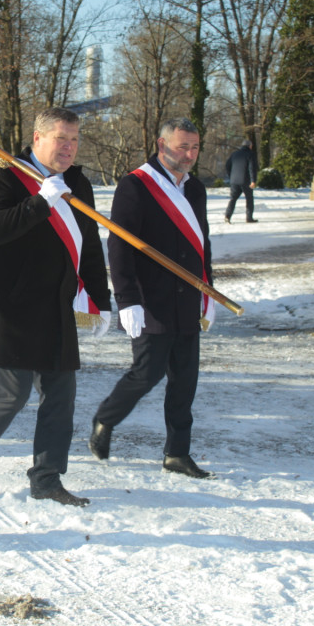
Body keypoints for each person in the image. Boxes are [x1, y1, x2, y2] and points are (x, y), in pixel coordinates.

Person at [0, 107, 112, 508]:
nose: (69, 147)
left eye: (74, 139)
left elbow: (88, 245)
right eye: (61, 139)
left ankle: (47, 477)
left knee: (61, 394)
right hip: (12, 308)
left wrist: (101, 300)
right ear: (37, 138)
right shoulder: (7, 176)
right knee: (12, 394)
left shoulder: (78, 183)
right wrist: (40, 202)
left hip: (57, 306)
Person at [89, 118, 215, 479]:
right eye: (182, 147)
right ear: (161, 145)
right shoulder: (136, 185)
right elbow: (119, 246)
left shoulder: (196, 190)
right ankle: (105, 418)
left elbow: (202, 244)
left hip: (188, 299)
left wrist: (210, 292)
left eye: (194, 147)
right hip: (151, 301)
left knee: (185, 381)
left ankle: (177, 453)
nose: (189, 155)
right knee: (147, 373)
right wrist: (126, 298)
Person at [223, 139, 257, 224]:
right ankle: (249, 218)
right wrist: (253, 180)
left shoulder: (234, 154)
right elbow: (252, 168)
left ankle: (227, 216)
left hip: (234, 181)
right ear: (250, 146)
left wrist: (231, 176)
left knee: (233, 199)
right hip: (246, 181)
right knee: (249, 199)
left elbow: (227, 166)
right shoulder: (250, 154)